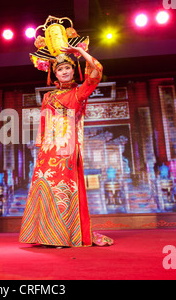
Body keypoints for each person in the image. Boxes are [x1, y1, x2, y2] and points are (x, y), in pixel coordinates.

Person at [19, 16, 113, 247]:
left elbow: (96, 72)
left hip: (68, 149)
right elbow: (43, 124)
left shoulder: (79, 93)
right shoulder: (48, 96)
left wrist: (80, 53)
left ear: (74, 70)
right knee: (44, 186)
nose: (64, 72)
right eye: (60, 68)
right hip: (48, 150)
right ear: (54, 72)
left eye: (68, 68)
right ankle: (45, 235)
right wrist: (41, 147)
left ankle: (63, 235)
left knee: (63, 188)